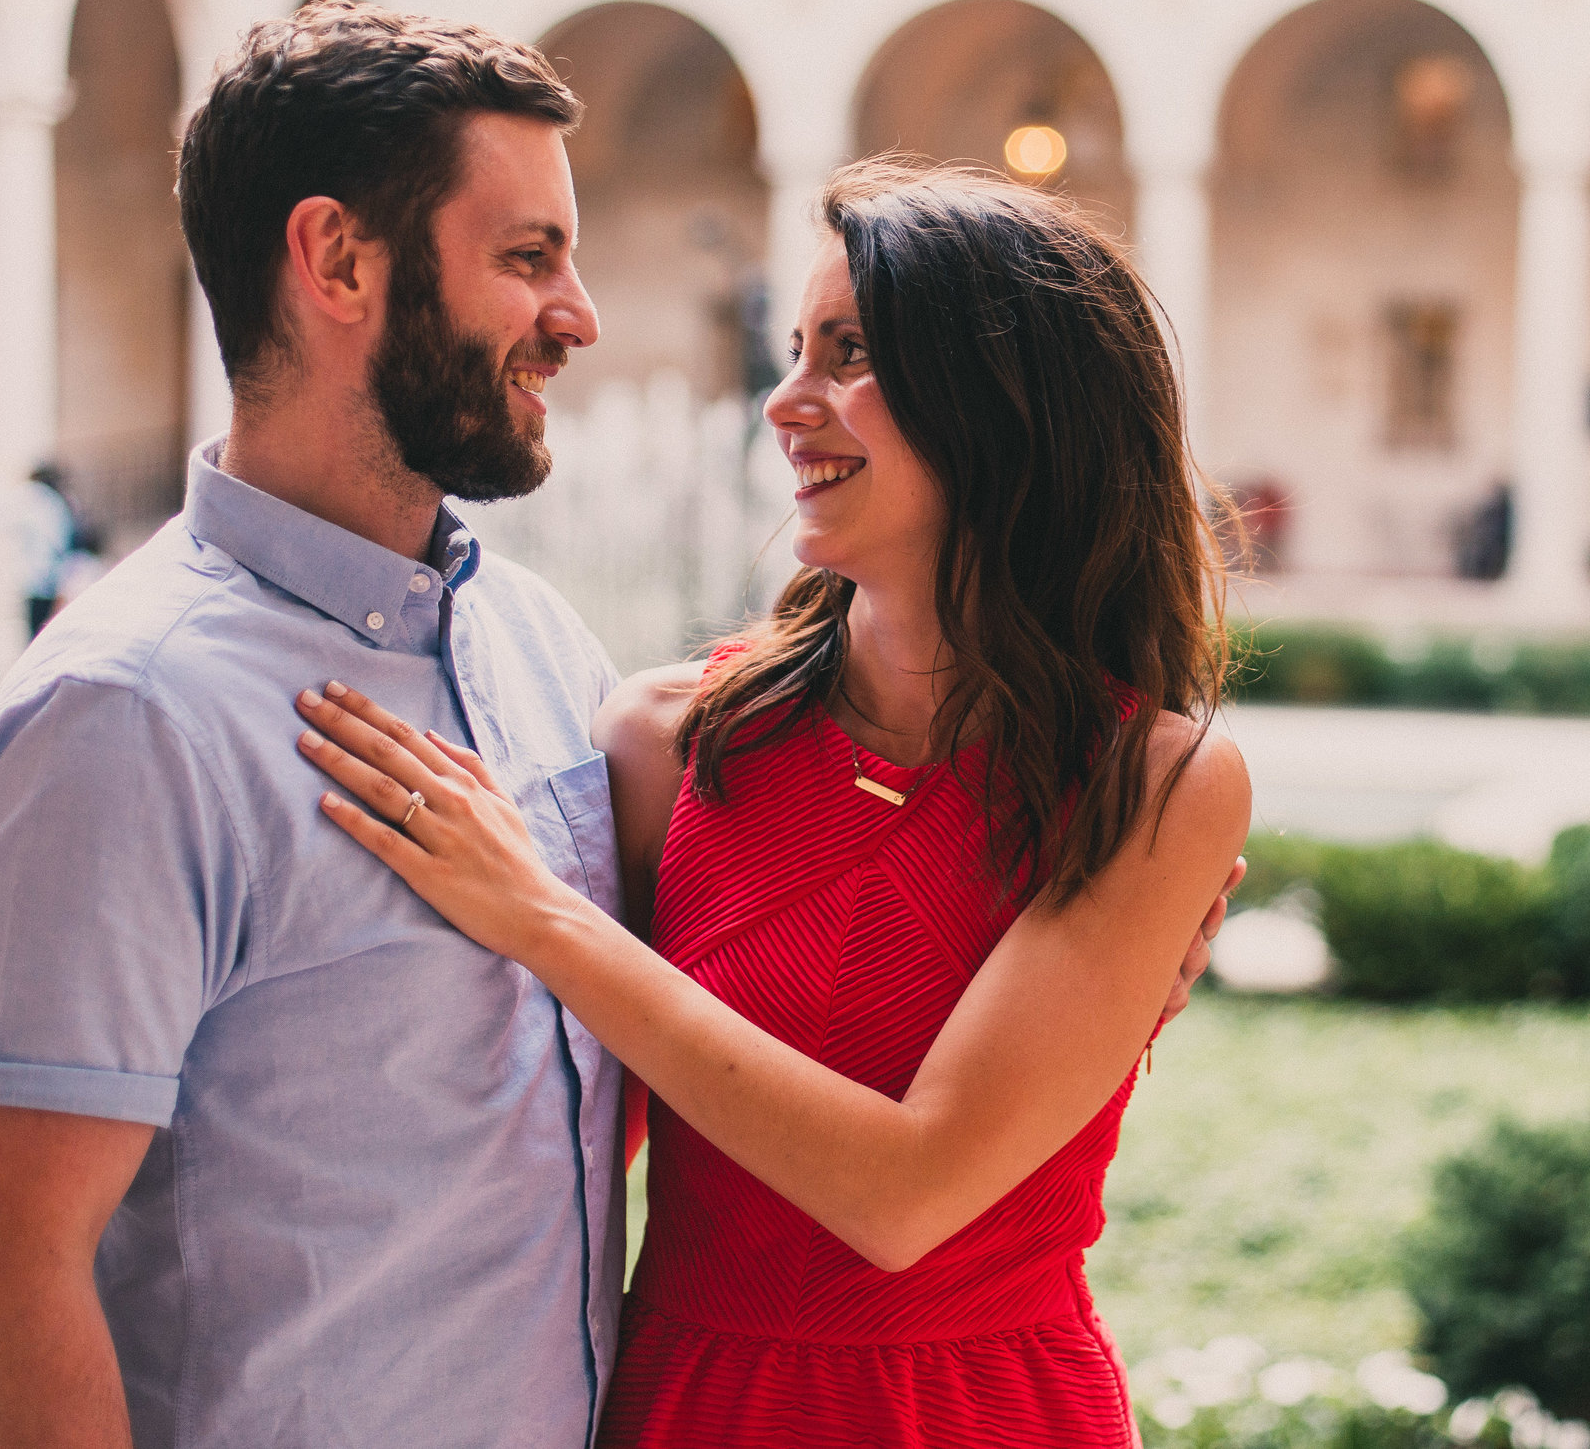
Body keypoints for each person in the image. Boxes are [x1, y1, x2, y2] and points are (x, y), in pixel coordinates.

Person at [0, 2, 1225, 1449]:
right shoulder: (126, 708)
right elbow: (0, 1270)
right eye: (530, 256)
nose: (582, 315)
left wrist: (1083, 976)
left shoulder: (547, 660)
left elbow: (645, 1071)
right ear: (339, 261)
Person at [294, 158, 1252, 1445]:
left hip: (982, 1411)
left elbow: (908, 1191)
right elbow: (571, 1140)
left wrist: (538, 914)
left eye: (849, 354)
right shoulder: (662, 739)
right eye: (795, 351)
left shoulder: (1157, 780)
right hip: (692, 1401)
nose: (786, 404)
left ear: (1009, 404)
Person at [12, 464, 77, 640]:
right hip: (50, 574)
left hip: (40, 576)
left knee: (37, 628)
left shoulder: (39, 500)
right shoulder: (57, 503)